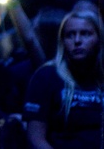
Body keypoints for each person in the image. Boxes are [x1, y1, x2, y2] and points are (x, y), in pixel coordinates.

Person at [22, 9, 104, 148]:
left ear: (99, 38)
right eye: (70, 35)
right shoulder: (46, 76)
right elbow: (35, 137)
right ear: (62, 41)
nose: (77, 41)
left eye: (85, 34)